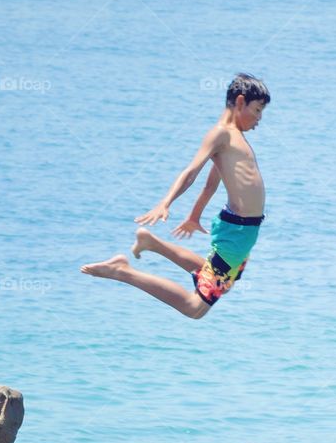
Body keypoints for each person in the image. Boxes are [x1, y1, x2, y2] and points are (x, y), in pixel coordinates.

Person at [81, 73, 270, 318]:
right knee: (195, 308)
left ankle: (152, 243)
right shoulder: (221, 133)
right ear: (240, 102)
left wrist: (194, 216)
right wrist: (165, 202)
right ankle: (123, 271)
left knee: (215, 276)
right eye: (257, 110)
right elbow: (191, 172)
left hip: (242, 231)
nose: (259, 119)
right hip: (238, 233)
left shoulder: (235, 138)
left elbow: (212, 184)